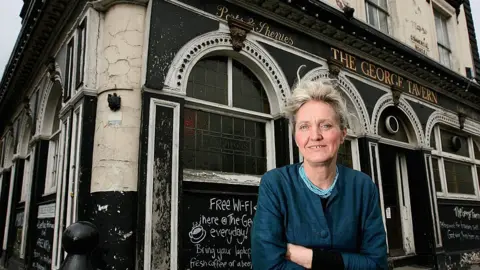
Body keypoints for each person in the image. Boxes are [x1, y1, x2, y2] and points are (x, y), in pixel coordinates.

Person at [251, 79, 388, 269]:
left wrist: (308, 257)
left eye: (325, 125)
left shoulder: (363, 187)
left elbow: (376, 265)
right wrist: (346, 262)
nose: (315, 136)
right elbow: (266, 266)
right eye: (304, 126)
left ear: (342, 134)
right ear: (296, 137)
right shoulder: (275, 184)